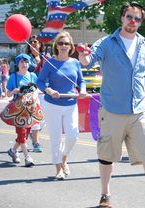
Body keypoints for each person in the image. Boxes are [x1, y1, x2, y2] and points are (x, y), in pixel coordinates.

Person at [78, 1, 145, 208]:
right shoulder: (107, 42)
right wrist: (83, 55)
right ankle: (105, 195)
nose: (132, 21)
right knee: (107, 155)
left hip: (139, 109)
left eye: (137, 19)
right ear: (122, 18)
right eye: (129, 17)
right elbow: (88, 61)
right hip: (112, 109)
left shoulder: (144, 44)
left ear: (140, 22)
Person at [37, 31, 86, 180]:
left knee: (73, 135)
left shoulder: (75, 63)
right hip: (52, 105)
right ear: (56, 46)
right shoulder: (49, 62)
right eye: (61, 43)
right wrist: (48, 89)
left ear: (71, 46)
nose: (63, 46)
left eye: (66, 43)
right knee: (56, 138)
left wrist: (83, 90)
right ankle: (58, 168)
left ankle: (64, 158)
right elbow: (40, 81)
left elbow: (81, 81)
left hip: (71, 103)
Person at [6, 54, 38, 167]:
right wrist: (13, 91)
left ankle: (13, 151)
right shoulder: (13, 77)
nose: (24, 64)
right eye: (22, 62)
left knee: (26, 133)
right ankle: (27, 157)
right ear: (17, 64)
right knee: (21, 132)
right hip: (17, 109)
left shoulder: (33, 76)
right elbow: (7, 93)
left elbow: (37, 90)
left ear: (29, 64)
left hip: (30, 109)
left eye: (26, 62)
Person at [27, 35, 50, 153]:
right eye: (31, 42)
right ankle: (36, 143)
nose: (33, 44)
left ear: (40, 44)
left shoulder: (46, 56)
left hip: (46, 90)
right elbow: (27, 70)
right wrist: (40, 64)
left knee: (44, 119)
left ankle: (32, 132)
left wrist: (46, 61)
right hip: (33, 91)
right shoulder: (27, 58)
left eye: (35, 42)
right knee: (35, 117)